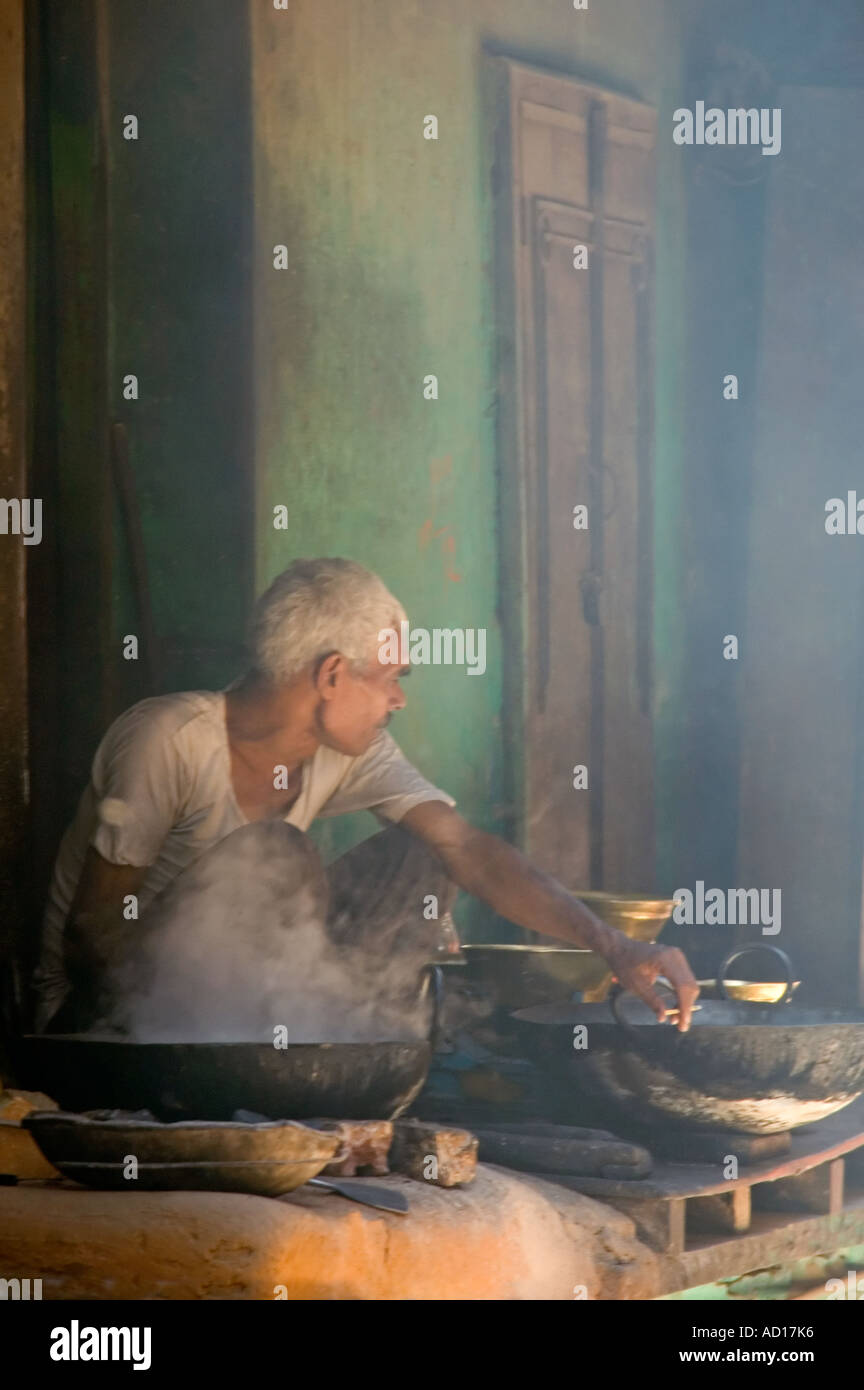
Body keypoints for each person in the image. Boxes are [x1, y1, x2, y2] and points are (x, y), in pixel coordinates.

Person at [33, 557, 699, 1035]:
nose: (399, 699)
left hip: (242, 1016)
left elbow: (468, 849)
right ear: (330, 675)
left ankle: (340, 1046)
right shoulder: (170, 739)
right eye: (390, 680)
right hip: (101, 1031)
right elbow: (91, 945)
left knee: (429, 856)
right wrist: (218, 1001)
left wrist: (612, 946)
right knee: (281, 856)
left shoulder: (352, 751)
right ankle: (273, 1052)